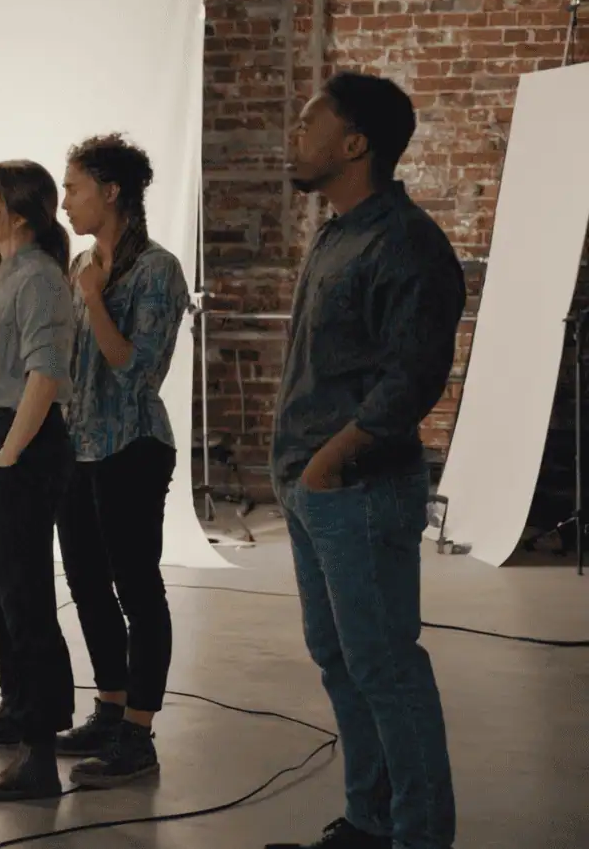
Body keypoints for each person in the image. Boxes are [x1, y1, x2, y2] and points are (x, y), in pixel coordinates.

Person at [264, 74, 462, 849]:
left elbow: (412, 377)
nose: (296, 132)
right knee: (341, 662)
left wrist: (330, 461)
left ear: (354, 144)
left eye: (310, 121)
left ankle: (418, 837)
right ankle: (370, 824)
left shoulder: (406, 243)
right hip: (315, 489)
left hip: (358, 489)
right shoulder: (340, 230)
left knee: (385, 668)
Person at [53, 135, 190, 788]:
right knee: (84, 581)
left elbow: (134, 368)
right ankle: (109, 710)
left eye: (74, 187)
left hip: (133, 446)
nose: (65, 201)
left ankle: (139, 733)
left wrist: (94, 299)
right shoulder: (85, 261)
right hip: (80, 448)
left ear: (111, 192)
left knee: (138, 587)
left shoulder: (157, 270)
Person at [0, 159, 77, 802]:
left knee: (26, 596)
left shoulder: (40, 279)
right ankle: (16, 703)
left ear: (17, 212)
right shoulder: (4, 273)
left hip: (24, 444)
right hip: (0, 438)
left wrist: (9, 454)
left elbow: (46, 377)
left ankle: (40, 754)